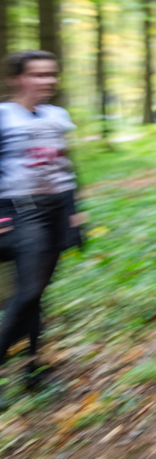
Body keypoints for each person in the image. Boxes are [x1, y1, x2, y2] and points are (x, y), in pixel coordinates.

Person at [0, 51, 82, 389]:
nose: (46, 81)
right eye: (37, 75)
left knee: (37, 291)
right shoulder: (4, 116)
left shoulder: (57, 115)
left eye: (51, 74)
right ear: (18, 78)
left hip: (56, 209)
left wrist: (76, 210)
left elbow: (66, 165)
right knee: (29, 289)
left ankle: (33, 366)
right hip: (20, 211)